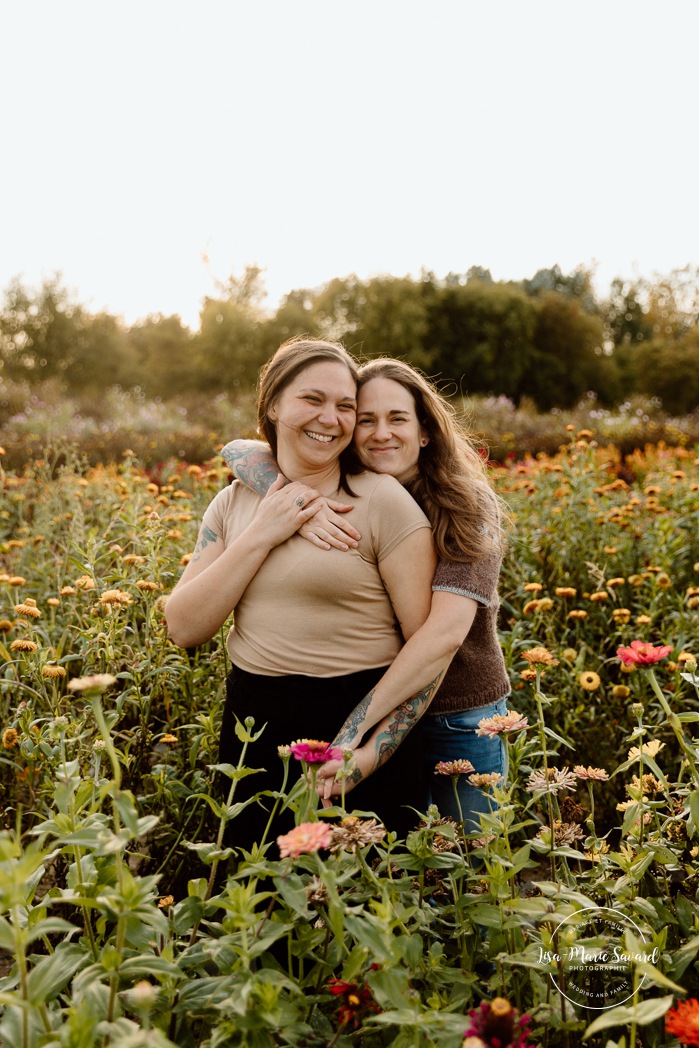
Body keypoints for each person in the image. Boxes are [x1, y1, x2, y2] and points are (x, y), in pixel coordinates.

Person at [165, 338, 437, 852]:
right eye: (312, 400)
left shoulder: (382, 502)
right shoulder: (234, 502)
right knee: (256, 908)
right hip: (252, 730)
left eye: (345, 406)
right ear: (272, 405)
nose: (330, 419)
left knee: (361, 912)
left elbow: (429, 654)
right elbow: (184, 627)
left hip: (354, 725)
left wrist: (367, 757)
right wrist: (265, 530)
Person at [224, 357, 511, 830]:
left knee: (471, 864)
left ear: (425, 431)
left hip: (454, 713)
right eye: (366, 420)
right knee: (405, 860)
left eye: (397, 418)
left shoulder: (467, 505)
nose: (381, 433)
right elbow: (237, 449)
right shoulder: (346, 492)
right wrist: (305, 506)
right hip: (389, 711)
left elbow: (442, 635)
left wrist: (357, 735)